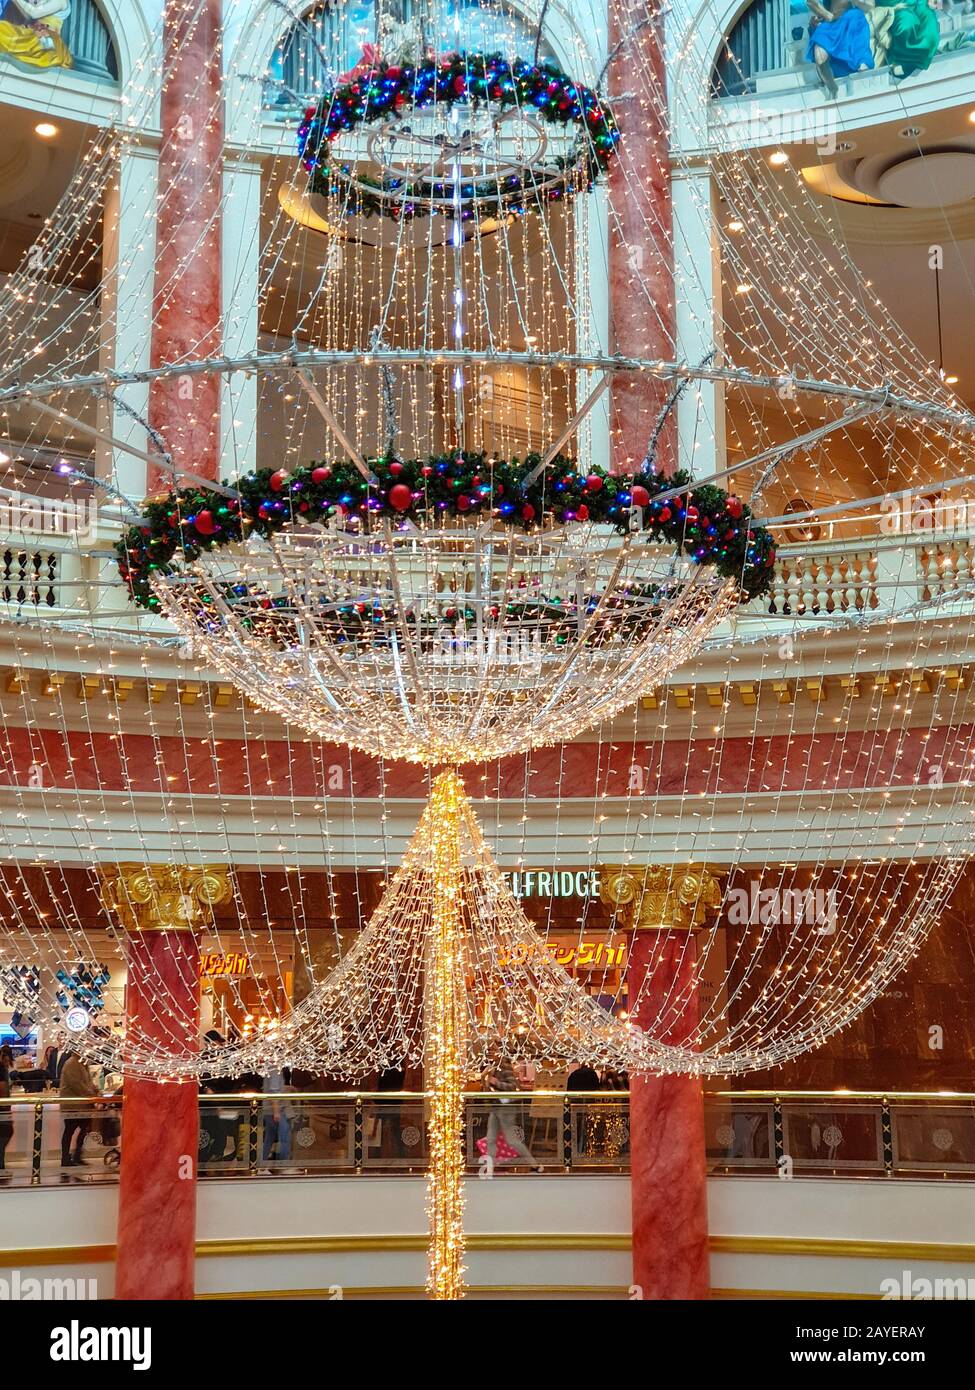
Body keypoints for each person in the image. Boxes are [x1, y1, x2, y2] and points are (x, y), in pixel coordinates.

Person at [806, 0, 875, 97]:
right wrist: (828, 16)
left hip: (850, 18)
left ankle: (861, 63)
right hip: (829, 22)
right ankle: (832, 89)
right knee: (820, 55)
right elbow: (810, 2)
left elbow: (870, 6)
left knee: (855, 17)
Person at [483, 1061, 542, 1172]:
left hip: (506, 1108)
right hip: (496, 1107)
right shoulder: (491, 1068)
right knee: (491, 1138)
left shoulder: (504, 1067)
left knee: (512, 1140)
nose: (489, 1054)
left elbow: (512, 1086)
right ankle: (490, 1166)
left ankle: (534, 1164)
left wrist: (496, 1083)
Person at [870, 0, 941, 76]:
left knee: (930, 23)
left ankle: (919, 59)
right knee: (906, 23)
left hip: (918, 3)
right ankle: (904, 63)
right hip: (896, 5)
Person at [0, 0, 73, 71]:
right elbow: (28, 15)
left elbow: (35, 13)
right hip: (29, 33)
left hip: (44, 38)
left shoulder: (61, 1)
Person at [59, 1050, 99, 1167]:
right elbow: (77, 1085)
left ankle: (76, 1155)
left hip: (82, 1104)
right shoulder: (71, 1063)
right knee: (70, 1130)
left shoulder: (82, 1063)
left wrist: (95, 1091)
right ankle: (66, 1158)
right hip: (73, 1105)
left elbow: (87, 1082)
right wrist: (92, 1094)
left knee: (82, 1130)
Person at [0, 1050, 13, 1178]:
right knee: (5, 1133)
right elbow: (3, 1087)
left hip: (3, 1109)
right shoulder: (1, 1070)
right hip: (3, 1109)